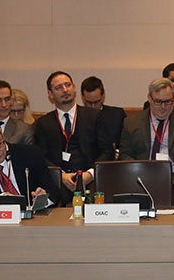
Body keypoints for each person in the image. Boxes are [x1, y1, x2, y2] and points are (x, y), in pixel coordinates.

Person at [119, 78, 174, 205]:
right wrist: (138, 171)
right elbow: (124, 154)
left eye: (168, 102)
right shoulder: (131, 123)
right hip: (144, 179)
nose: (163, 107)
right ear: (149, 98)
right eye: (158, 102)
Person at [33, 71, 114, 202]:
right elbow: (42, 157)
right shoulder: (43, 123)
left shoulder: (94, 116)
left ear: (74, 87)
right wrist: (61, 175)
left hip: (91, 182)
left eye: (68, 85)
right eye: (59, 87)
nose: (65, 90)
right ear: (50, 94)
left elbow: (107, 151)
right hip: (58, 185)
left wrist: (90, 174)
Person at [0, 120, 60, 205]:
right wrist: (3, 200)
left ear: (1, 133)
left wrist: (44, 198)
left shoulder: (31, 154)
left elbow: (53, 192)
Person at [80, 76, 127, 152]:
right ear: (83, 98)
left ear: (103, 96)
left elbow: (124, 144)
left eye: (96, 102)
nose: (93, 107)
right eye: (89, 103)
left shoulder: (117, 115)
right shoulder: (78, 117)